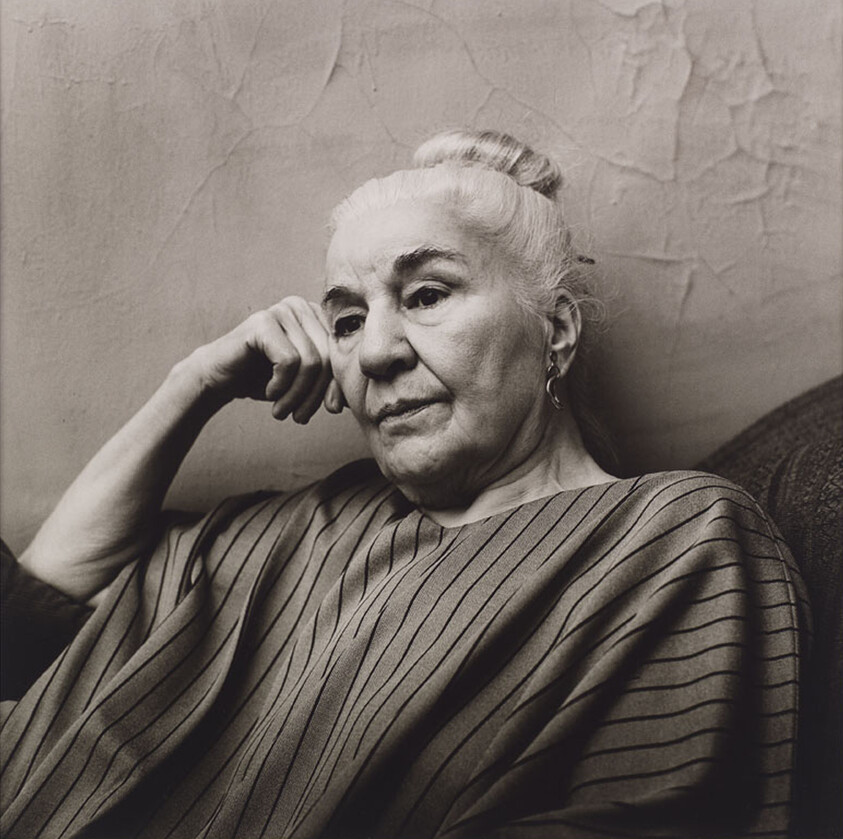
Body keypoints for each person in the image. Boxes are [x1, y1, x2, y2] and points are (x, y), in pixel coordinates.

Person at [0, 130, 808, 839]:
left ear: (555, 331)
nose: (375, 351)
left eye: (425, 295)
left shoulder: (674, 532)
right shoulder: (289, 529)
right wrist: (191, 386)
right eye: (346, 319)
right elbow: (28, 634)